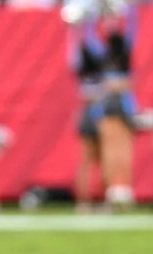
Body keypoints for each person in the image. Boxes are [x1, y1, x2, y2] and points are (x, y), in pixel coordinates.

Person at [94, 5, 138, 210]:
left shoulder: (115, 55)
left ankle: (121, 191)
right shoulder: (104, 55)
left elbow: (131, 29)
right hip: (111, 109)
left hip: (117, 109)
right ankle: (114, 192)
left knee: (119, 153)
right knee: (113, 153)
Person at [67, 18, 104, 212]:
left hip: (86, 112)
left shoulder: (81, 71)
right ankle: (100, 200)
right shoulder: (100, 69)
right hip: (98, 114)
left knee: (86, 160)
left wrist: (75, 30)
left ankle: (84, 202)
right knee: (100, 158)